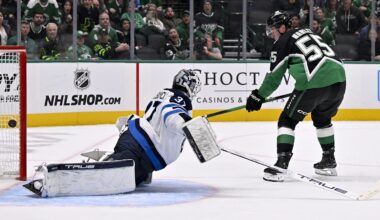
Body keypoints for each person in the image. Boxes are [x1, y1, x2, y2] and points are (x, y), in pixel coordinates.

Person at [24, 69, 202, 197]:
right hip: (140, 146)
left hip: (144, 152)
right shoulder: (180, 98)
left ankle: (106, 164)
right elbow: (170, 114)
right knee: (107, 175)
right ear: (189, 85)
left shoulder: (166, 94)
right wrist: (186, 124)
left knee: (118, 181)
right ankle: (51, 180)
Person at [245, 11, 346, 182]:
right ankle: (329, 160)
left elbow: (274, 78)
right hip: (339, 80)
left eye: (273, 30)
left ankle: (281, 164)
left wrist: (258, 96)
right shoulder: (309, 32)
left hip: (314, 82)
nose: (271, 35)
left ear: (283, 28)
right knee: (322, 119)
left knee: (287, 121)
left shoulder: (282, 42)